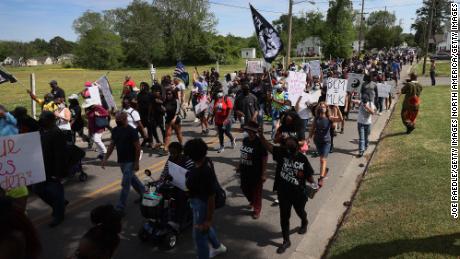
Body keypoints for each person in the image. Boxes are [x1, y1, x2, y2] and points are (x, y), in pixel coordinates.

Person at [258, 131, 315, 254]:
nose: (286, 146)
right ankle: (286, 241)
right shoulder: (281, 153)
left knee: (300, 211)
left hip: (299, 194)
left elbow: (309, 177)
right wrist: (261, 136)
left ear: (294, 147)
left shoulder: (302, 159)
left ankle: (304, 222)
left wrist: (314, 185)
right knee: (284, 217)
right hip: (283, 193)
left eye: (288, 145)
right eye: (285, 144)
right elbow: (269, 146)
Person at [184, 138, 227, 259]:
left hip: (201, 204)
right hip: (197, 201)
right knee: (203, 227)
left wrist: (208, 220)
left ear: (191, 156)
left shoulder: (203, 172)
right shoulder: (206, 162)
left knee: (199, 236)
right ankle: (217, 247)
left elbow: (211, 197)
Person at [102, 112, 145, 214]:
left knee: (125, 184)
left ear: (125, 119)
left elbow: (138, 148)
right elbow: (112, 145)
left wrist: (136, 162)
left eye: (119, 120)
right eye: (116, 119)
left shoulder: (132, 131)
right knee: (133, 179)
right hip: (121, 161)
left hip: (130, 161)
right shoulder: (116, 130)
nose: (117, 121)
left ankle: (120, 207)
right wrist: (105, 158)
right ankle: (145, 195)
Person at [34, 111, 68, 227]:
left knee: (57, 193)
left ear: (50, 120)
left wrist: (58, 173)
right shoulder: (41, 131)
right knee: (37, 189)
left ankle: (59, 216)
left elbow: (60, 155)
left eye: (43, 119)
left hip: (53, 169)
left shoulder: (57, 133)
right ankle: (59, 205)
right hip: (41, 167)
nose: (41, 121)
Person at [0, 105, 29, 213]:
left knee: (17, 184)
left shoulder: (10, 120)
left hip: (13, 155)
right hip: (2, 156)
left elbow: (14, 121)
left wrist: (4, 114)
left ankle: (21, 210)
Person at [307, 102, 343, 188]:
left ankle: (321, 178)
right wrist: (308, 138)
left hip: (326, 142)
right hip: (317, 141)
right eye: (321, 106)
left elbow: (340, 119)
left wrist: (337, 109)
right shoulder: (316, 118)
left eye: (324, 107)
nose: (322, 108)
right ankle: (324, 170)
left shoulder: (329, 118)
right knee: (321, 159)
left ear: (326, 109)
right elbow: (312, 129)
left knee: (323, 160)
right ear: (319, 109)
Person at [237, 121, 268, 219]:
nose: (248, 132)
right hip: (245, 169)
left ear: (254, 132)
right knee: (244, 187)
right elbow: (243, 154)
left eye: (250, 130)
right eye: (247, 130)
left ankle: (256, 210)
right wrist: (239, 165)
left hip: (256, 172)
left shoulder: (260, 142)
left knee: (257, 192)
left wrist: (263, 173)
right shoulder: (245, 140)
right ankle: (252, 201)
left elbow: (264, 158)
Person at [163, 88, 184, 153]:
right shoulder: (165, 101)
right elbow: (164, 109)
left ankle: (181, 145)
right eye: (167, 94)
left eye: (169, 94)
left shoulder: (176, 101)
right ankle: (166, 148)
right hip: (168, 119)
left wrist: (174, 119)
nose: (168, 95)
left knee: (178, 133)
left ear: (172, 94)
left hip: (176, 119)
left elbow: (177, 111)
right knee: (167, 134)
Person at [137, 82, 153, 147]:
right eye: (140, 86)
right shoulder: (139, 95)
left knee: (149, 129)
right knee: (139, 128)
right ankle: (145, 139)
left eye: (143, 86)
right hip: (141, 114)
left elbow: (150, 105)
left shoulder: (149, 94)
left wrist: (149, 116)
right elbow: (138, 104)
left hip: (148, 114)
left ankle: (150, 142)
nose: (141, 87)